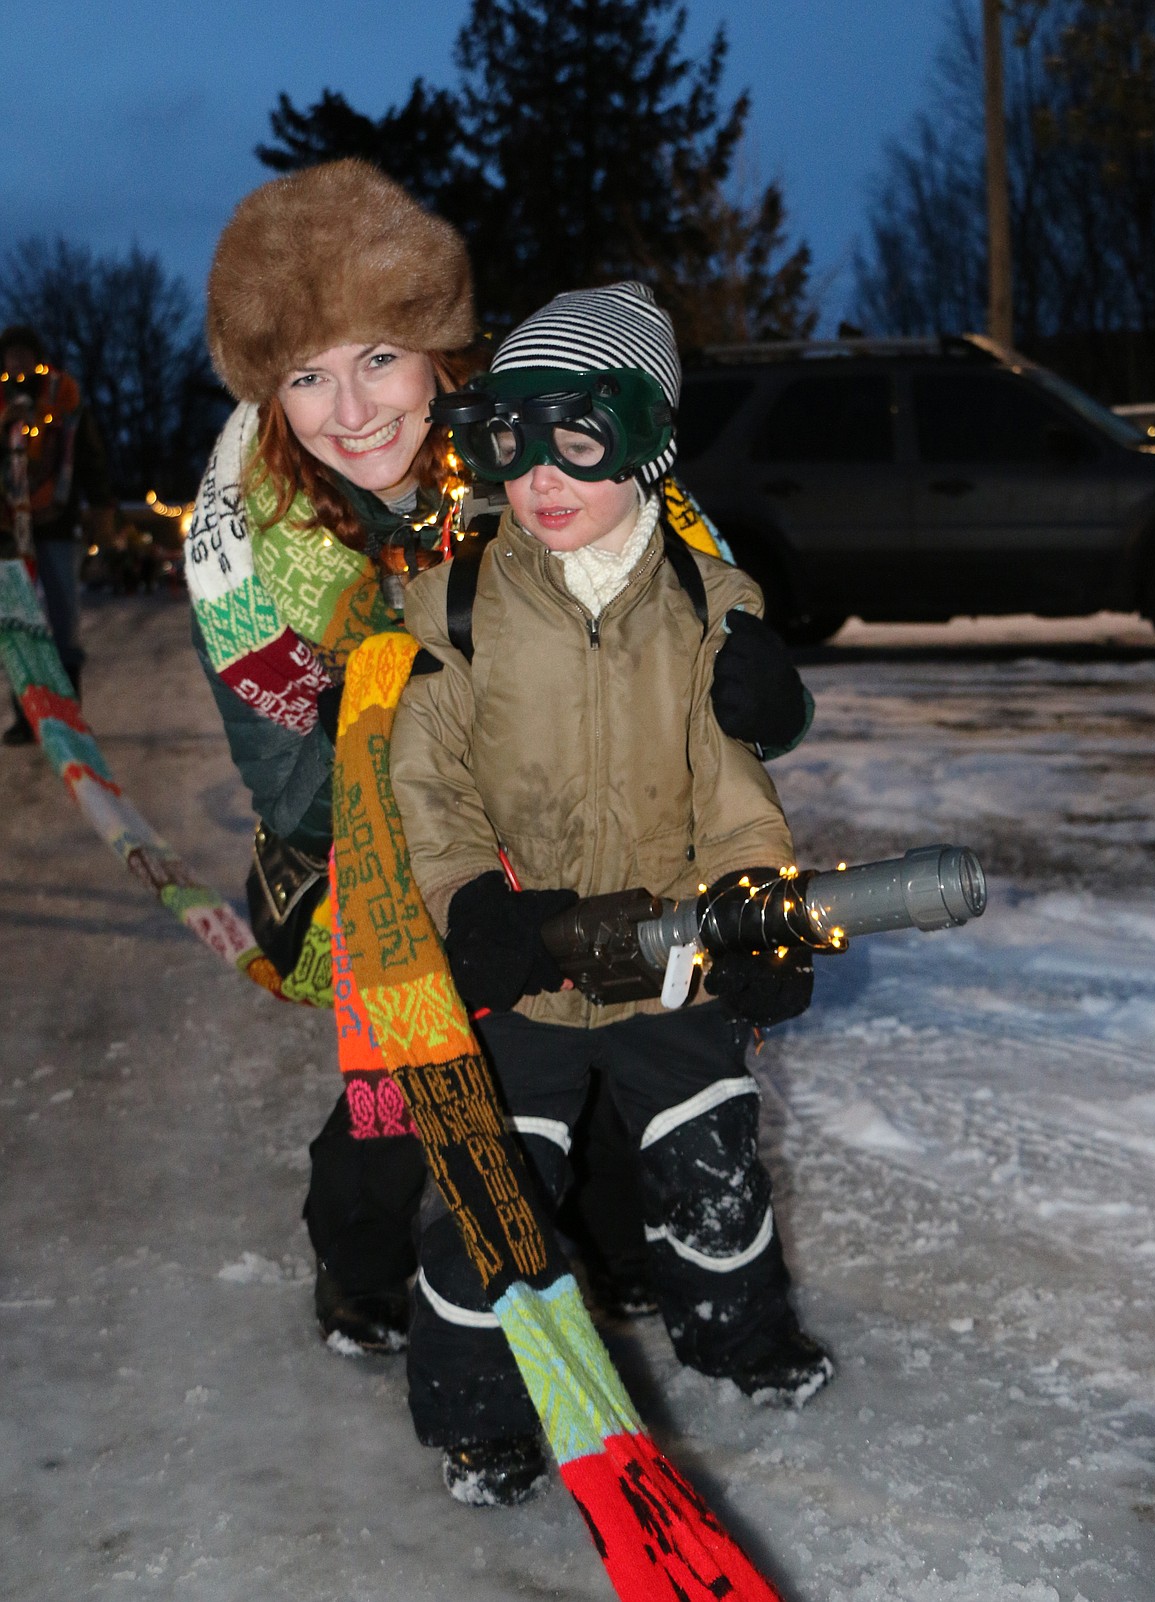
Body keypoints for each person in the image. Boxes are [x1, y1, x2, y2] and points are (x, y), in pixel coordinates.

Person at [186, 163, 811, 1365]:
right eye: (306, 376)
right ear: (272, 394)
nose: (352, 408)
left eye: (378, 358)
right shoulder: (244, 537)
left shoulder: (535, 431)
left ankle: (622, 1253)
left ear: (438, 351)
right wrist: (413, 745)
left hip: (586, 828)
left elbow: (688, 599)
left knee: (627, 1057)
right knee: (411, 1114)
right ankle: (361, 1270)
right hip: (374, 850)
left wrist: (762, 688)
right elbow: (286, 779)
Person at [389, 281, 833, 1508]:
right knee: (492, 1197)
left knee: (712, 1160)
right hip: (524, 967)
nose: (541, 473)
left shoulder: (705, 607)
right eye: (511, 439)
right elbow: (426, 784)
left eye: (578, 434)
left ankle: (739, 1335)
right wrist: (473, 905)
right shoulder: (461, 609)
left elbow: (735, 794)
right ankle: (482, 1410)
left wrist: (755, 905)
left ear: (647, 442)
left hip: (668, 957)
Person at [1, 325, 114, 743]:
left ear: (37, 357)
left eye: (23, 354)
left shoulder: (64, 399)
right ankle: (25, 714)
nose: (16, 363)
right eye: (9, 356)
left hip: (58, 523)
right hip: (10, 532)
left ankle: (69, 712)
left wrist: (101, 504)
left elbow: (88, 454)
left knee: (64, 618)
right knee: (19, 621)